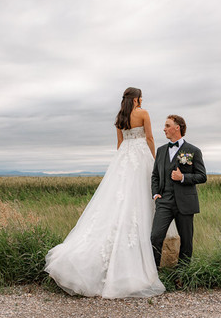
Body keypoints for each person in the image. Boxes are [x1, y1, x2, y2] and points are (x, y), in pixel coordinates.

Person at [44, 87, 165, 299]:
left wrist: (121, 164)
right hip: (141, 157)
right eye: (140, 97)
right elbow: (150, 138)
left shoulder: (120, 117)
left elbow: (119, 144)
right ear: (136, 99)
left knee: (118, 199)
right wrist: (153, 161)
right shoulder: (143, 113)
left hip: (124, 158)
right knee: (141, 199)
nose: (141, 100)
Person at [151, 115, 207, 269]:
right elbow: (155, 175)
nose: (164, 129)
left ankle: (182, 274)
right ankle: (154, 274)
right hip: (164, 202)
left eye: (167, 125)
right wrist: (155, 194)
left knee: (186, 240)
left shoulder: (193, 150)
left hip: (185, 202)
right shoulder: (161, 151)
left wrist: (183, 177)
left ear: (178, 127)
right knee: (155, 236)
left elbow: (202, 176)